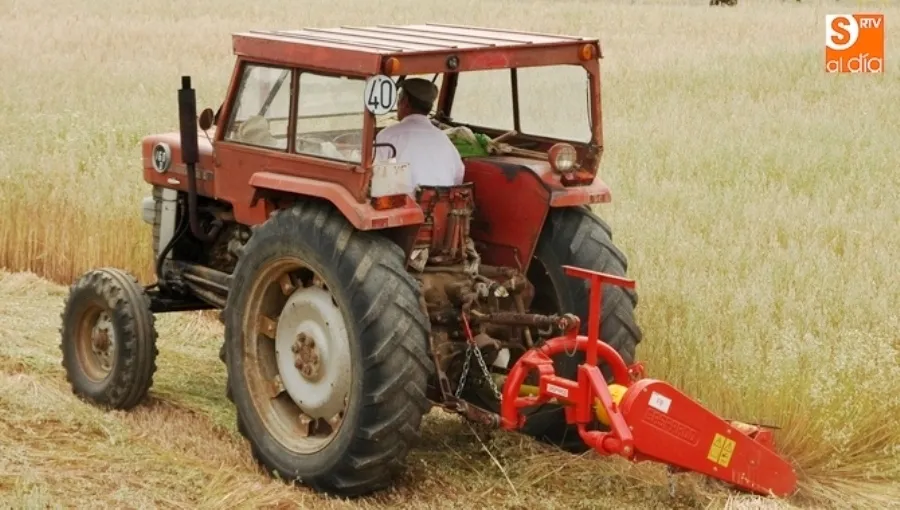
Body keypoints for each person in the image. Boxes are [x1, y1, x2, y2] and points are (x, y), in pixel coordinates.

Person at [374, 78, 465, 189]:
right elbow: (458, 175)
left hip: (405, 204)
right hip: (441, 203)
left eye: (399, 98)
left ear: (405, 102)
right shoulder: (442, 137)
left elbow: (378, 178)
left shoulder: (387, 136)